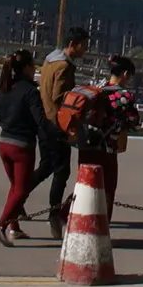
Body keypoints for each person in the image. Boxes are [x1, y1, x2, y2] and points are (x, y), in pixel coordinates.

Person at [0, 50, 51, 247]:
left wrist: (10, 122)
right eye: (33, 66)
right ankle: (0, 226)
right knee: (21, 190)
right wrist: (59, 132)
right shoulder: (31, 91)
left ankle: (14, 228)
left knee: (15, 187)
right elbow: (40, 120)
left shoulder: (7, 86)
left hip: (4, 142)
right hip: (22, 146)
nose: (35, 70)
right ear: (26, 68)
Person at [32, 26, 91, 232]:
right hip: (56, 124)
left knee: (46, 166)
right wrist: (68, 127)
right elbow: (60, 99)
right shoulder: (64, 67)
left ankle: (18, 198)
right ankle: (54, 215)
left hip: (43, 122)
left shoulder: (50, 60)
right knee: (61, 171)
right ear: (73, 44)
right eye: (84, 45)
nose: (85, 50)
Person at [72, 55, 143, 210]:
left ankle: (66, 216)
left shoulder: (97, 88)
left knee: (84, 186)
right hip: (107, 148)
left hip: (86, 145)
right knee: (107, 189)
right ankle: (101, 225)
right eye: (129, 76)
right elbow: (135, 123)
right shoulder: (124, 96)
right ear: (125, 74)